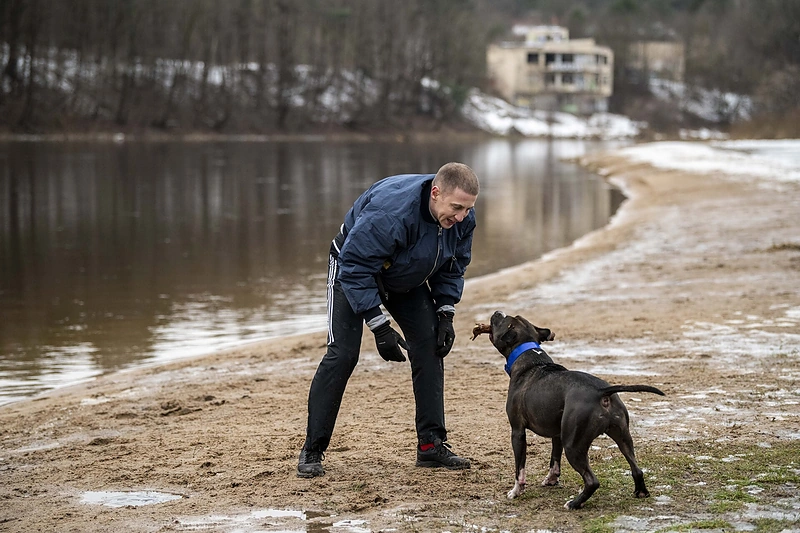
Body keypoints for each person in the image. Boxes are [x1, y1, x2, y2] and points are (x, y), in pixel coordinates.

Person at [297, 162, 480, 478]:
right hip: (353, 269)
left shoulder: (461, 218)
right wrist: (379, 326)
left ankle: (431, 447)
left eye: (467, 209)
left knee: (429, 345)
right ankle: (312, 450)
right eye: (456, 208)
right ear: (435, 193)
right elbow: (354, 267)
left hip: (402, 275)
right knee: (343, 355)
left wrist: (446, 313)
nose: (462, 216)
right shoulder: (391, 214)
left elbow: (453, 265)